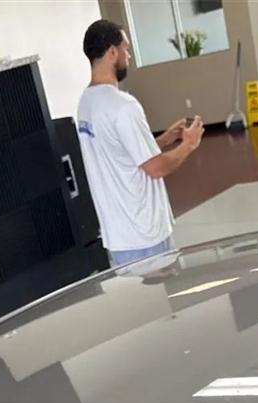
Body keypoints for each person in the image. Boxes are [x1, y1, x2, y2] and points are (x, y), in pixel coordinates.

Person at [76, 20, 204, 269]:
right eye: (126, 49)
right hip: (145, 235)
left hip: (118, 239)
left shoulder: (86, 103)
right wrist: (189, 144)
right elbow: (155, 168)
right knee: (164, 292)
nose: (129, 56)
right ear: (112, 52)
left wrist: (164, 140)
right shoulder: (123, 106)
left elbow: (119, 153)